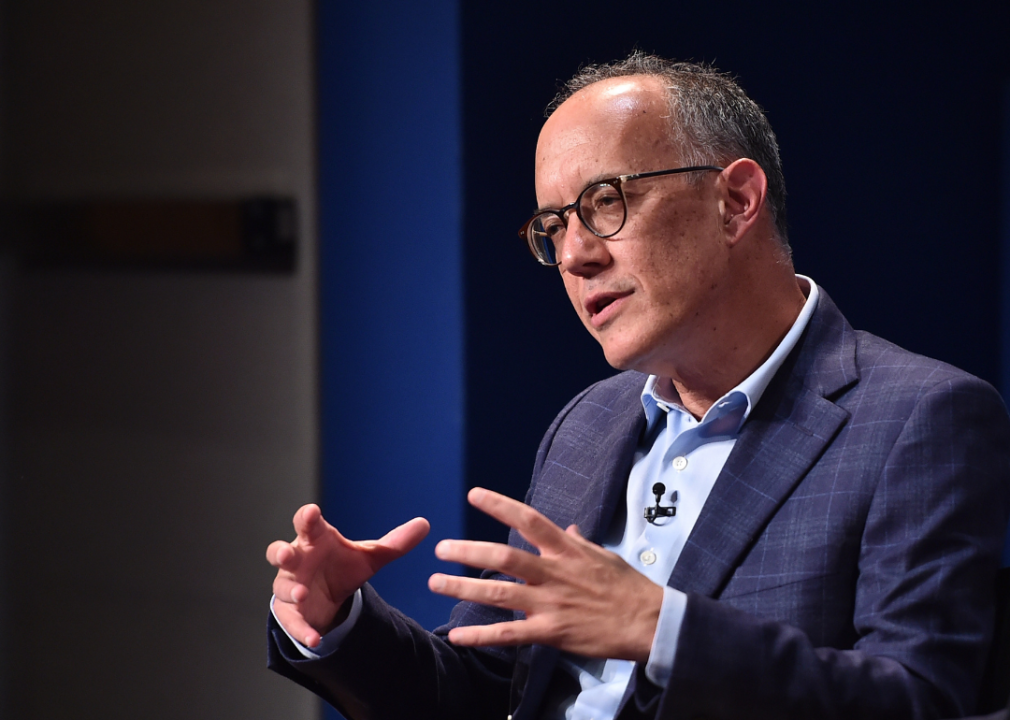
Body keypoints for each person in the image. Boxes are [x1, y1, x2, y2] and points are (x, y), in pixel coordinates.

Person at [266, 53, 1010, 719]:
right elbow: (492, 690)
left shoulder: (921, 417)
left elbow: (919, 697)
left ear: (737, 201)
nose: (576, 256)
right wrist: (340, 620)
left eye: (605, 203)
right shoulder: (589, 422)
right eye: (553, 227)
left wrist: (663, 630)